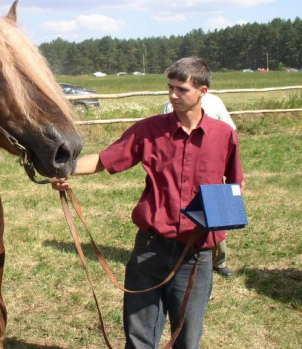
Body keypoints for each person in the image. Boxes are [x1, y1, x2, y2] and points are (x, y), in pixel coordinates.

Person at [51, 56, 243, 349]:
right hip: (149, 250)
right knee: (138, 337)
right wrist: (65, 169)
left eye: (182, 89)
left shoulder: (224, 136)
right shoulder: (149, 130)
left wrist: (216, 227)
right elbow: (104, 160)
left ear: (203, 91)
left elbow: (234, 185)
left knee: (187, 338)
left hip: (196, 254)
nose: (173, 95)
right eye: (170, 88)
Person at [162, 90, 236, 278]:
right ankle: (179, 258)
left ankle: (219, 261)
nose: (175, 94)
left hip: (209, 171)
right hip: (184, 167)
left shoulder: (215, 102)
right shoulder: (170, 105)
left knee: (215, 224)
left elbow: (229, 131)